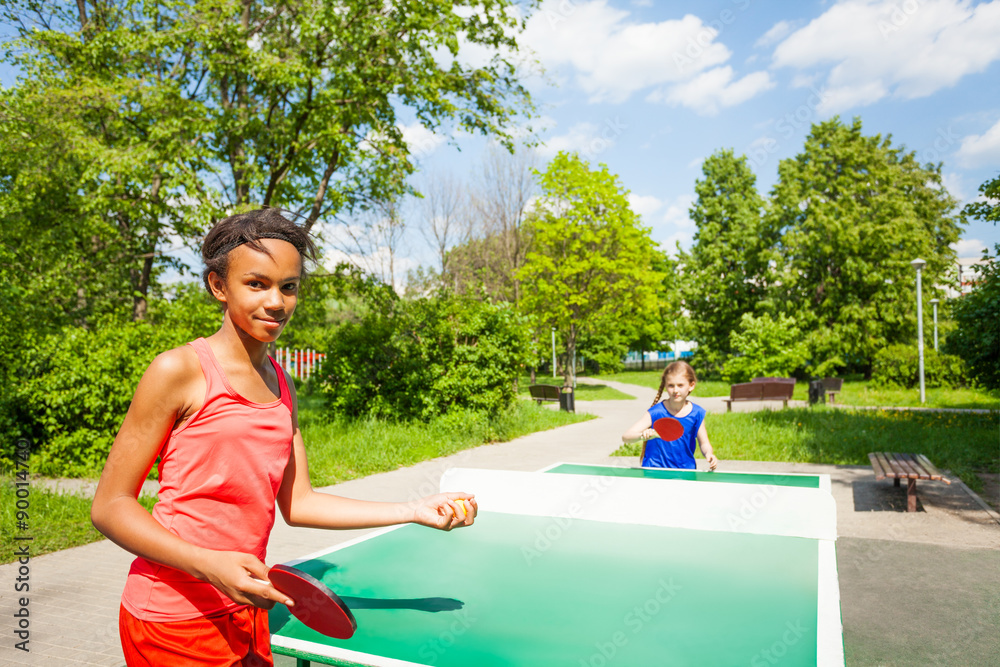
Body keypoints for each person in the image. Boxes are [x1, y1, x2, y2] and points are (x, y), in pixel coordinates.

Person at [91, 208, 477, 667]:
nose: (276, 301)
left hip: (249, 608)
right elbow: (110, 506)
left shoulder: (281, 383)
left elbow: (299, 503)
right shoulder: (178, 370)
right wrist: (208, 563)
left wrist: (413, 510)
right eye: (257, 284)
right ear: (218, 286)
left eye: (288, 287)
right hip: (173, 620)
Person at [621, 360, 718, 471]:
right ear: (665, 386)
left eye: (680, 385)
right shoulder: (656, 412)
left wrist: (709, 454)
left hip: (684, 471)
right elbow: (626, 437)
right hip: (654, 470)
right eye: (671, 385)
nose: (675, 390)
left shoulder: (697, 413)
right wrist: (642, 435)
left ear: (691, 386)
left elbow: (704, 443)